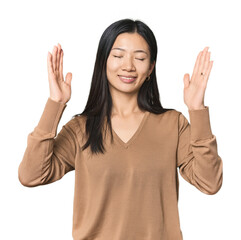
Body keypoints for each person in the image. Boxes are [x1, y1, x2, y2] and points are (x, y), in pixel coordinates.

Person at [18, 18, 223, 240]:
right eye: (118, 56)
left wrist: (197, 109)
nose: (128, 66)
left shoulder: (173, 124)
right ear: (103, 61)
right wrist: (55, 103)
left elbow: (209, 183)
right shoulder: (80, 128)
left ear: (151, 67)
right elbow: (31, 175)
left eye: (140, 58)